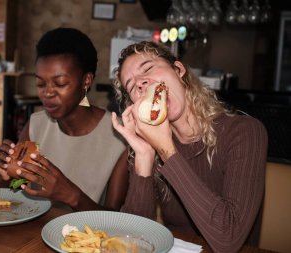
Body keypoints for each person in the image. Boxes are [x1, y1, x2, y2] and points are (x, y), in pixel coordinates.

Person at [111, 41, 268, 253]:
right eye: (131, 86)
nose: (140, 84)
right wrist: (144, 154)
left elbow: (228, 239)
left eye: (148, 68)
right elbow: (133, 240)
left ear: (178, 70)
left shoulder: (245, 132)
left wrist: (167, 150)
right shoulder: (150, 146)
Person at [0, 27, 128, 211]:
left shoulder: (119, 136)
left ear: (86, 81)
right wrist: (4, 176)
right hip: (32, 234)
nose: (47, 92)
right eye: (40, 83)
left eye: (60, 83)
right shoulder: (36, 124)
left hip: (85, 238)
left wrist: (72, 196)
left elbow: (114, 219)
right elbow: (12, 201)